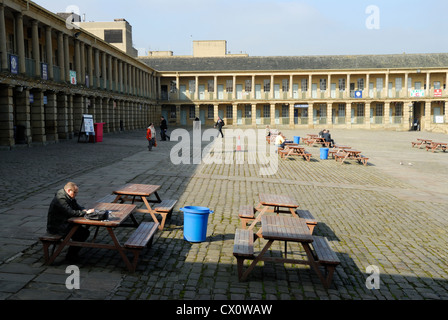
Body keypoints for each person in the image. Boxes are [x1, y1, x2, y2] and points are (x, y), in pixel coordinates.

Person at [46, 182, 94, 262]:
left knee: (83, 232)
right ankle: (71, 256)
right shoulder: (61, 199)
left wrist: (83, 209)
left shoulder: (68, 196)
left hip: (64, 223)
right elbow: (70, 212)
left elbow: (76, 206)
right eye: (75, 192)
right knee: (82, 234)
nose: (76, 194)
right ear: (69, 190)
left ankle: (72, 255)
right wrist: (85, 213)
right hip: (57, 227)